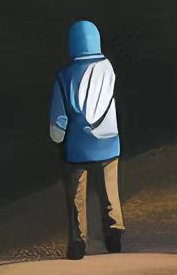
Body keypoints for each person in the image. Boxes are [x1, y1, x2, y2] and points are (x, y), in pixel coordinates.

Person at [48, 20, 124, 259]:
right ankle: (114, 234)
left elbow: (58, 122)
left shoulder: (64, 77)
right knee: (110, 189)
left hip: (77, 149)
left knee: (76, 196)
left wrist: (58, 139)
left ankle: (78, 243)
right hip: (110, 143)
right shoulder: (108, 69)